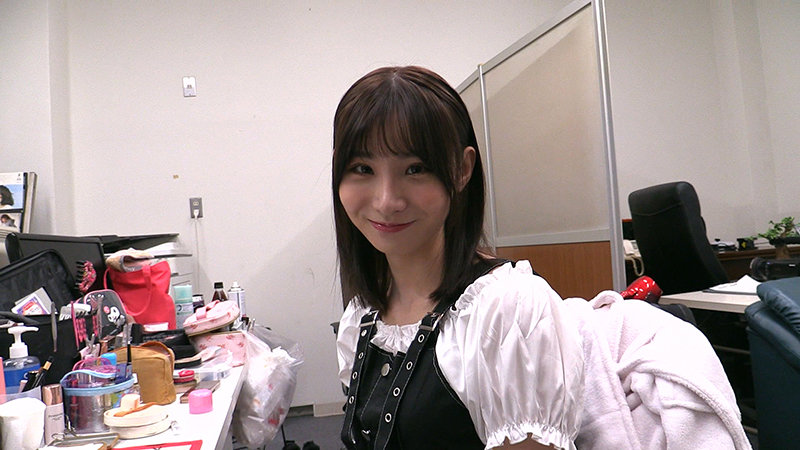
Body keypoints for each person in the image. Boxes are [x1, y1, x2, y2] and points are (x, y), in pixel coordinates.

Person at [332, 66, 584, 449]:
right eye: (362, 169)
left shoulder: (506, 310)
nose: (386, 201)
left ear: (462, 169)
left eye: (415, 169)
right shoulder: (361, 315)